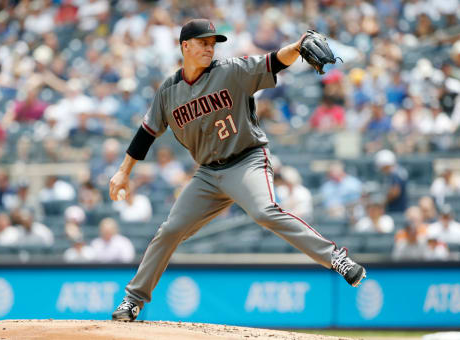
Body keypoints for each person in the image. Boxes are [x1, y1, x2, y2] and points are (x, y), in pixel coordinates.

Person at [109, 19, 366, 321]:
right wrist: (124, 171)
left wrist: (297, 47)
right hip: (207, 174)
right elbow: (146, 133)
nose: (209, 47)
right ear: (185, 46)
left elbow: (273, 62)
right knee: (170, 230)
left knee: (264, 211)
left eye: (212, 43)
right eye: (203, 42)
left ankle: (335, 258)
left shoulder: (231, 70)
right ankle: (132, 300)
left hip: (247, 160)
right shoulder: (169, 91)